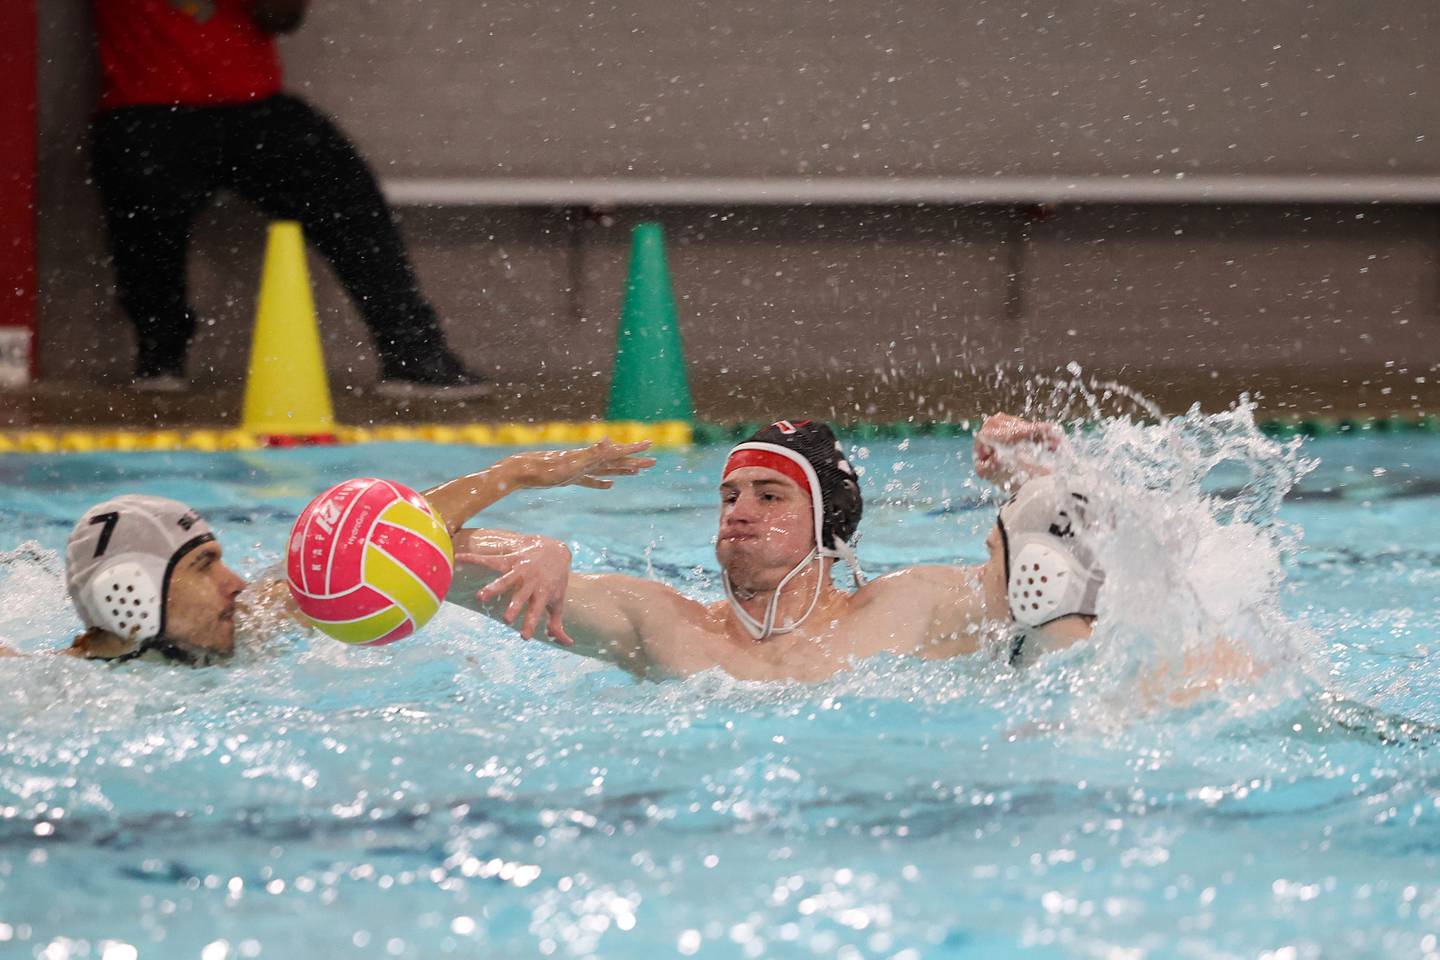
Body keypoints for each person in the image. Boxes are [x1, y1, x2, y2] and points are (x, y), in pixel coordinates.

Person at [455, 416, 1110, 682]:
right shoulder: (659, 623)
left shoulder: (908, 608)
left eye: (770, 497)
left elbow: (1062, 565)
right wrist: (517, 493)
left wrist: (1022, 478)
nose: (740, 511)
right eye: (730, 495)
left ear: (829, 528)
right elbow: (395, 545)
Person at [89, 0, 487, 397]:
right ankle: (159, 357)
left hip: (253, 107)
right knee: (145, 226)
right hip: (147, 111)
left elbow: (282, 17)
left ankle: (414, 354)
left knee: (351, 202)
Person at [36, 441, 655, 665]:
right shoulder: (40, 688)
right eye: (203, 567)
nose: (235, 585)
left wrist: (518, 474)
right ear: (130, 594)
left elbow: (373, 543)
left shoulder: (252, 628)